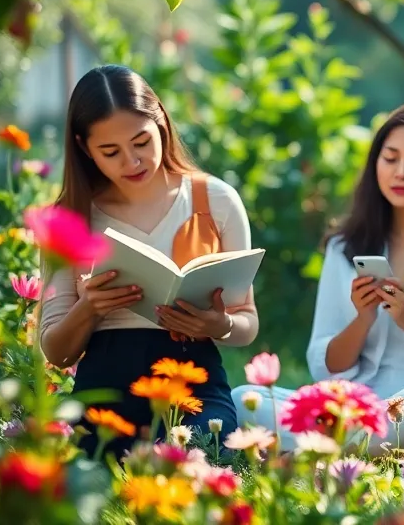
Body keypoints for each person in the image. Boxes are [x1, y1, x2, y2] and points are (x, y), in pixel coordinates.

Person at [233, 102, 404, 447]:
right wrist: (363, 319)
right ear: (375, 163)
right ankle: (354, 444)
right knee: (243, 399)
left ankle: (325, 449)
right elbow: (325, 367)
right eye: (390, 157)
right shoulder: (345, 246)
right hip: (355, 406)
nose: (401, 172)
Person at [39, 65, 256, 456]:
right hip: (104, 383)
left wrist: (218, 323)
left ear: (161, 123)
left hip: (193, 379)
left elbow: (247, 322)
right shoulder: (71, 217)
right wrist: (89, 307)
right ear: (84, 148)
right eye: (110, 152)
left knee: (200, 461)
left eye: (142, 142)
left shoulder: (216, 201)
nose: (132, 161)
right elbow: (56, 350)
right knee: (90, 483)